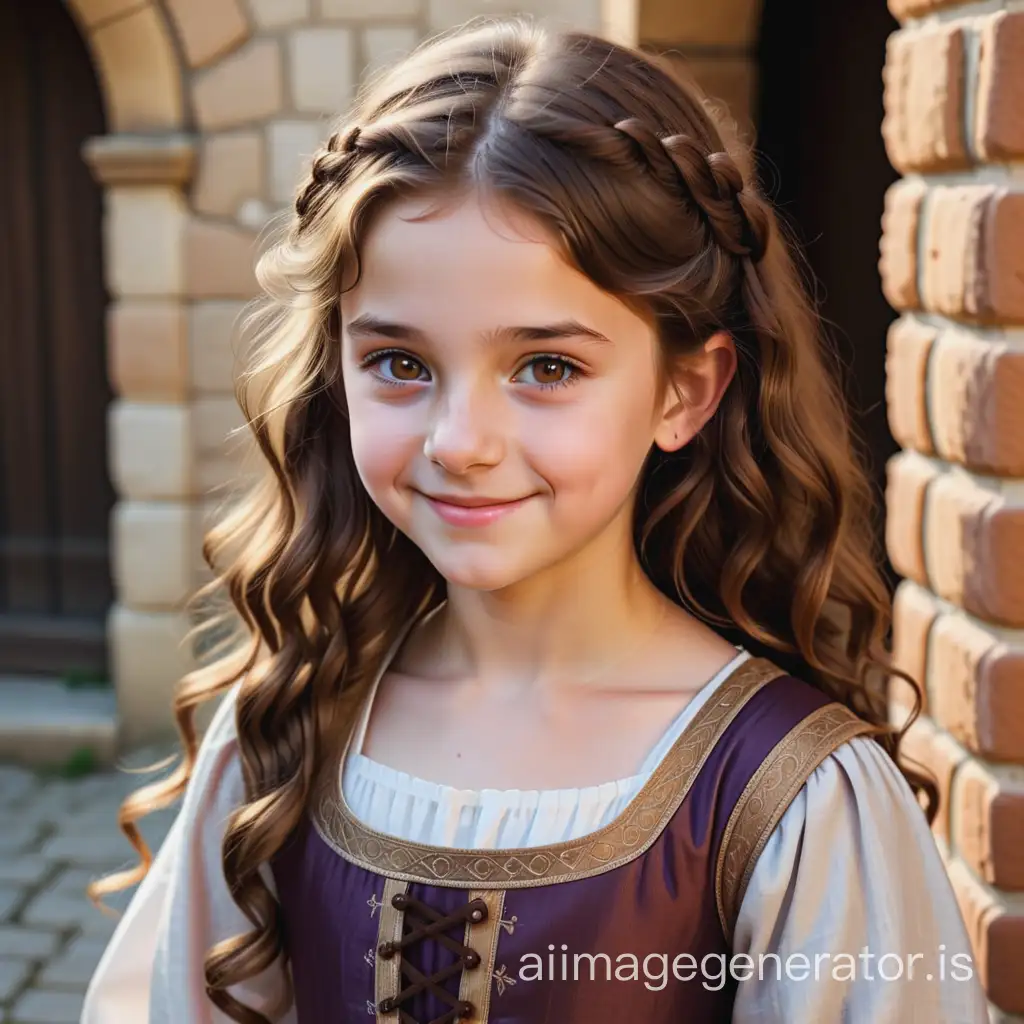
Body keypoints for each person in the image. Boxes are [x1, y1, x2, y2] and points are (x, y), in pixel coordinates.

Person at [81, 15, 987, 1024]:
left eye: (546, 367)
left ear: (685, 391)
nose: (460, 440)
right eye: (400, 363)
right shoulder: (285, 732)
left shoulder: (793, 798)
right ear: (335, 372)